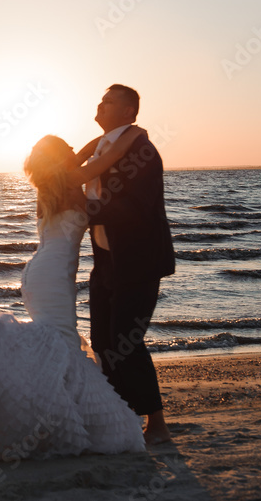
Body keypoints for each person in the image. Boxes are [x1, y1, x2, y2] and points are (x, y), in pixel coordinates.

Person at [0, 127, 148, 463]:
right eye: (69, 148)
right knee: (59, 342)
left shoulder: (50, 182)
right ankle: (49, 421)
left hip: (38, 272)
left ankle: (37, 413)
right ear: (61, 157)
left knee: (55, 343)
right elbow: (109, 158)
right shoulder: (69, 177)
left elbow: (84, 157)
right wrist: (130, 137)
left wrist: (93, 142)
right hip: (52, 275)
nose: (76, 150)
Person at [86, 84, 175, 446]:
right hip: (106, 260)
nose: (100, 104)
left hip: (138, 262)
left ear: (127, 112)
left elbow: (132, 208)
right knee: (102, 339)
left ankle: (157, 424)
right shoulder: (99, 149)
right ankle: (119, 417)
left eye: (108, 101)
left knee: (128, 340)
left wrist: (79, 210)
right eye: (100, 99)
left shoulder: (142, 151)